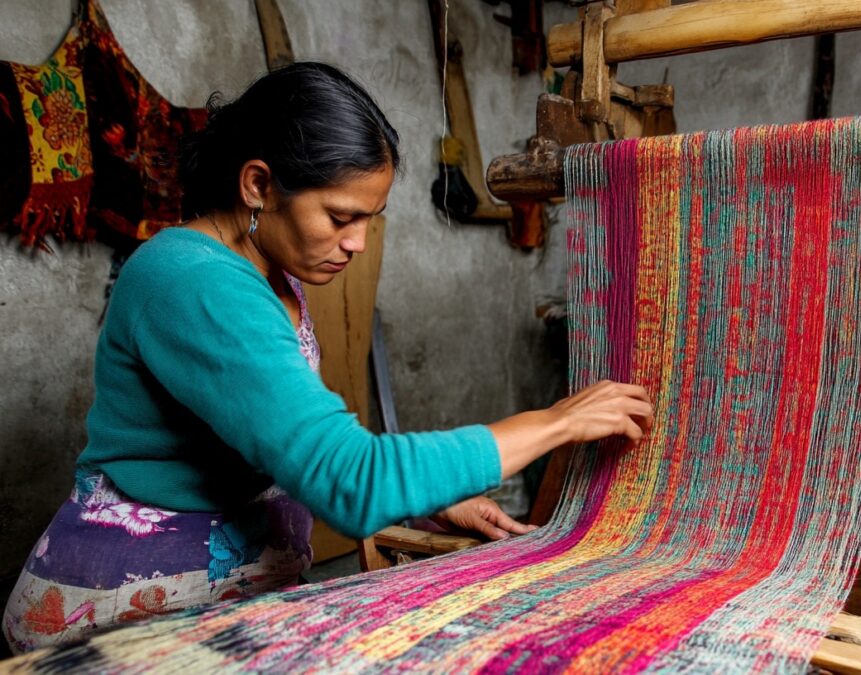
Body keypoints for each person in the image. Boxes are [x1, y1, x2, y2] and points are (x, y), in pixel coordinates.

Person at [1, 62, 652, 654]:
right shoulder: (190, 280)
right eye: (340, 216)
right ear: (259, 184)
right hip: (117, 624)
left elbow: (291, 445)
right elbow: (349, 480)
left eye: (370, 218)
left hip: (227, 612)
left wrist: (435, 499)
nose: (358, 243)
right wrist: (556, 421)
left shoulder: (274, 275)